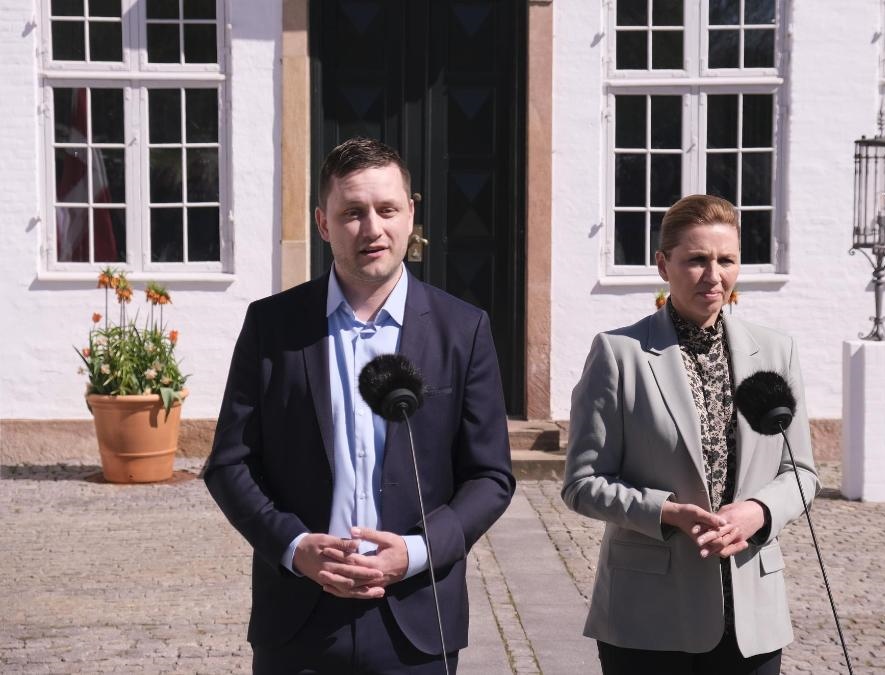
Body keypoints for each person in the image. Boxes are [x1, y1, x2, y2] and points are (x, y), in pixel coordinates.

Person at [204, 137, 515, 674]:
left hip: (417, 620)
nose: (372, 229)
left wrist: (416, 552)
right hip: (298, 619)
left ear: (410, 214)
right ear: (323, 223)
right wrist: (294, 546)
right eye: (352, 213)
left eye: (387, 210)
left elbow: (490, 477)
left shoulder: (463, 330)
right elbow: (229, 463)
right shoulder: (272, 326)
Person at [561, 194, 819, 674]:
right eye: (697, 259)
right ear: (664, 264)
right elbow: (581, 484)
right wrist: (666, 512)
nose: (713, 275)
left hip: (751, 613)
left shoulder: (776, 350)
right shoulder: (618, 354)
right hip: (648, 614)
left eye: (727, 260)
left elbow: (801, 472)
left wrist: (759, 511)